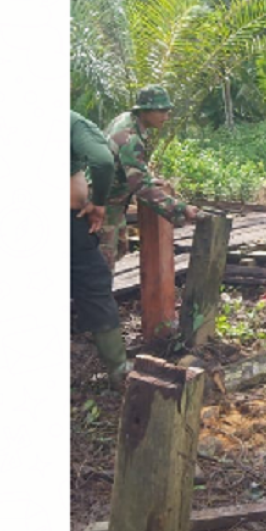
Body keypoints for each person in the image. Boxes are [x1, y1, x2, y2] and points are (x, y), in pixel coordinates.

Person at [99, 86, 199, 271]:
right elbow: (141, 187)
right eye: (161, 111)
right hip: (101, 207)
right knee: (101, 265)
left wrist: (147, 179)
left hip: (113, 203)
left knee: (121, 247)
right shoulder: (130, 137)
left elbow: (125, 167)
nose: (166, 116)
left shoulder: (126, 120)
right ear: (144, 110)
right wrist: (181, 209)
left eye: (167, 111)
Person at [70, 110, 132, 387]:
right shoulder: (71, 121)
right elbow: (103, 161)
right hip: (69, 224)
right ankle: (118, 368)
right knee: (94, 286)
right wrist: (98, 203)